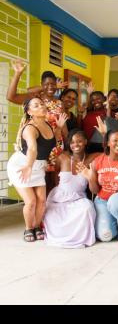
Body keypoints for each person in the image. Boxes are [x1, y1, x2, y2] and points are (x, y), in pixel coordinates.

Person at [7, 98, 64, 242]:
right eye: (36, 105)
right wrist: (28, 167)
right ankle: (28, 228)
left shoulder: (47, 124)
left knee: (42, 201)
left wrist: (59, 127)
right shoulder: (30, 128)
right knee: (31, 201)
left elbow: (53, 140)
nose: (41, 106)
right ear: (29, 111)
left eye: (42, 104)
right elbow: (32, 149)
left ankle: (37, 226)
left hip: (37, 166)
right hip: (22, 165)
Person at [7, 60, 67, 190]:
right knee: (35, 177)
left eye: (53, 84)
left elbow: (63, 124)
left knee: (53, 178)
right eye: (47, 84)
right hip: (35, 143)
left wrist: (67, 145)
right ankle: (34, 206)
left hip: (54, 143)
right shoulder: (34, 99)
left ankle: (50, 208)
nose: (50, 87)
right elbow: (11, 97)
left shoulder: (59, 103)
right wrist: (17, 73)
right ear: (41, 85)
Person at [44, 129, 100, 248]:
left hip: (78, 199)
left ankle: (79, 239)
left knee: (88, 208)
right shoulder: (63, 157)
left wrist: (104, 135)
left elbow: (108, 154)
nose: (76, 145)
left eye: (79, 141)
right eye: (73, 142)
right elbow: (55, 179)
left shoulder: (92, 159)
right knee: (51, 215)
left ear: (85, 142)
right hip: (59, 199)